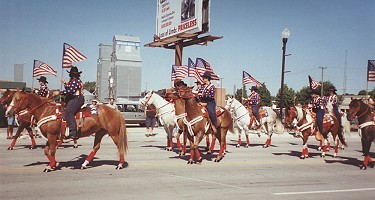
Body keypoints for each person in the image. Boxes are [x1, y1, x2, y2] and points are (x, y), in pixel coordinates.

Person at [60, 66, 84, 140]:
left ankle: (73, 132)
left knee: (69, 111)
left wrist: (60, 92)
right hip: (74, 98)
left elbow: (71, 91)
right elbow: (69, 88)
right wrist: (64, 83)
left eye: (72, 74)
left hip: (77, 98)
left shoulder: (75, 81)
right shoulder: (73, 81)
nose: (71, 75)